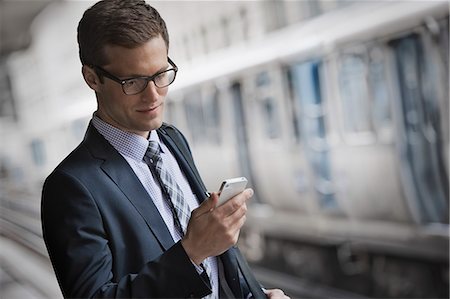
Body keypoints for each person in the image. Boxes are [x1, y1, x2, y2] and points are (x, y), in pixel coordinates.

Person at [41, 1, 290, 298]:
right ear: (92, 78)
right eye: (132, 81)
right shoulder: (71, 187)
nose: (154, 95)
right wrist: (191, 252)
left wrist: (256, 294)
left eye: (161, 74)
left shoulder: (172, 140)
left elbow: (213, 264)